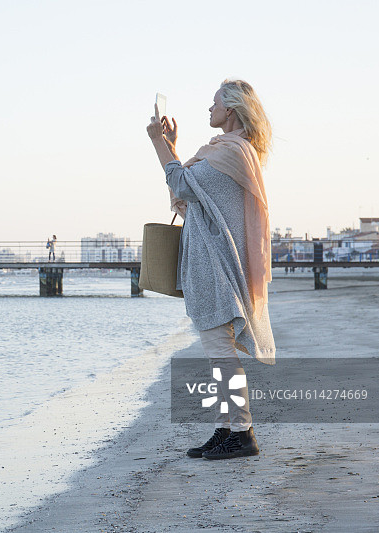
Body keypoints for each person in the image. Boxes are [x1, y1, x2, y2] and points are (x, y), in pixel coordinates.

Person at [146, 79, 275, 460]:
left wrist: (158, 142)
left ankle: (242, 433)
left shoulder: (231, 152)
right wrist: (172, 147)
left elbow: (181, 183)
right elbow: (191, 191)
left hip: (217, 267)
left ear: (230, 110)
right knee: (217, 351)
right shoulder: (228, 150)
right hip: (213, 263)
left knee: (220, 352)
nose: (209, 108)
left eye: (214, 102)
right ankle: (226, 429)